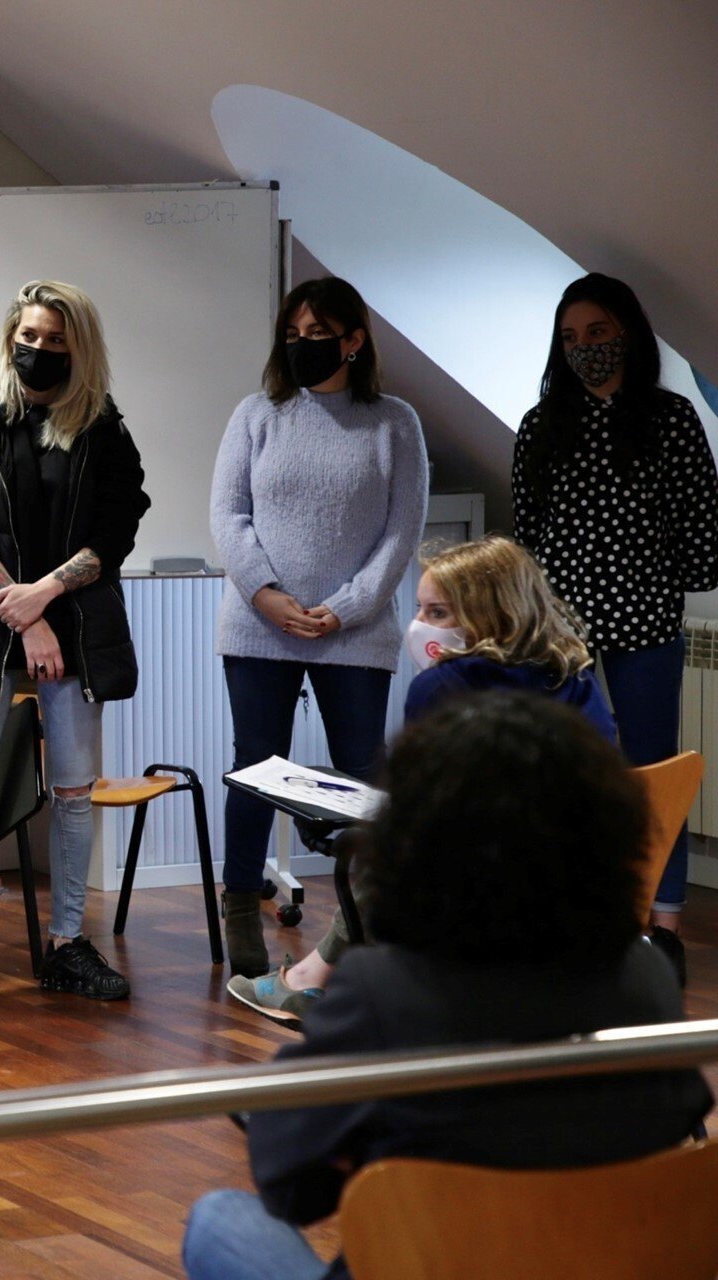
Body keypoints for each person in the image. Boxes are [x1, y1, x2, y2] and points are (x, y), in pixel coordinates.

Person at [181, 692, 712, 1280]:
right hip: (604, 1261)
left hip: (433, 1263)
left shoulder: (385, 993)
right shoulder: (647, 976)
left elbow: (289, 1188)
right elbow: (673, 1119)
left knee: (218, 1218)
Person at [227, 536, 617, 1022]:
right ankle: (317, 976)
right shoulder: (575, 674)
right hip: (583, 873)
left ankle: (314, 980)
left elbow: (428, 811)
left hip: (483, 885)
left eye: (438, 613)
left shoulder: (441, 684)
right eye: (419, 609)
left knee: (398, 853)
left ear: (487, 613)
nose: (420, 625)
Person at [0, 280, 150, 1009]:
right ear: (10, 337)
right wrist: (24, 614)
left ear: (80, 348)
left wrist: (44, 596)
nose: (39, 350)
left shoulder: (104, 428)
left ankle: (66, 945)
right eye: (29, 337)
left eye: (55, 340)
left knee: (74, 793)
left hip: (74, 619)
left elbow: (116, 530)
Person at [209, 276, 428, 977]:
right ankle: (240, 906)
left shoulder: (395, 422)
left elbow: (401, 533)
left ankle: (368, 918)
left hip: (354, 631)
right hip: (259, 626)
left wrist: (347, 607)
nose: (302, 345)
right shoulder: (256, 414)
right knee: (256, 765)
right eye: (293, 335)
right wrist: (267, 595)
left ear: (354, 340)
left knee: (362, 773)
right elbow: (229, 516)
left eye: (318, 334)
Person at [512, 272, 718, 969]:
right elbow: (527, 535)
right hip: (557, 629)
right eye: (571, 337)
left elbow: (700, 526)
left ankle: (663, 923)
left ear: (627, 333)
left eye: (597, 332)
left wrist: (661, 581)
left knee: (654, 773)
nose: (585, 347)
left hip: (646, 623)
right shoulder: (541, 425)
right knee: (561, 771)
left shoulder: (670, 419)